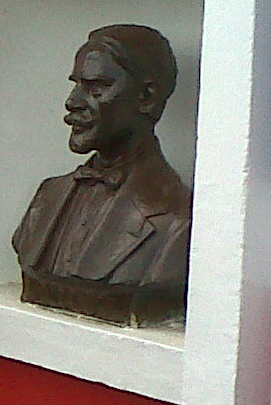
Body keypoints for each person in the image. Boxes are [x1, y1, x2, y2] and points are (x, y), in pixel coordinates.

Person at [12, 23, 191, 323]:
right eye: (76, 84)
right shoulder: (47, 196)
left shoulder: (175, 219)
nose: (73, 102)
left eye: (96, 88)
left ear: (146, 97)